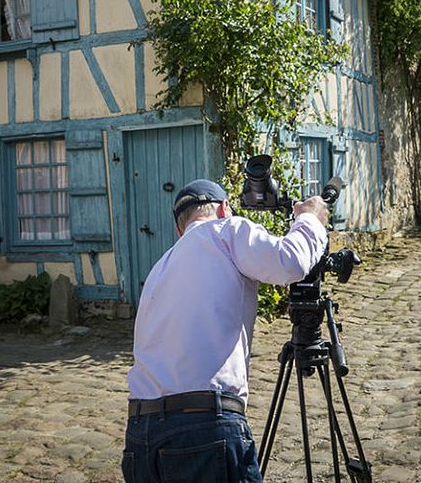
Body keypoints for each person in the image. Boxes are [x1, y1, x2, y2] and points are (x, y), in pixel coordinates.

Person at [123, 178, 330, 483]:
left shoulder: (159, 269)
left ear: (180, 229)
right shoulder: (226, 230)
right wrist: (310, 217)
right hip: (203, 428)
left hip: (141, 435)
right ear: (224, 209)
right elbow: (291, 261)